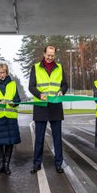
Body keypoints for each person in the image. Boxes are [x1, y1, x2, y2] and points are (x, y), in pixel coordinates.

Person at [29, 45, 68, 174]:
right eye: (48, 55)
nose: (50, 58)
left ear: (54, 55)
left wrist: (62, 91)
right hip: (41, 106)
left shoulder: (60, 68)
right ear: (44, 53)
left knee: (57, 138)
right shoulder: (35, 67)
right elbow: (31, 86)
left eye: (52, 55)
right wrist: (40, 94)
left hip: (56, 106)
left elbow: (64, 84)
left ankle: (58, 164)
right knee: (39, 138)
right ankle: (36, 164)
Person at [0, 63, 21, 175]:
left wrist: (13, 103)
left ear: (7, 73)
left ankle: (7, 165)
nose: (2, 75)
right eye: (0, 73)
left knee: (10, 142)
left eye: (4, 72)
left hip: (10, 117)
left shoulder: (12, 84)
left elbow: (17, 99)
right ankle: (0, 164)